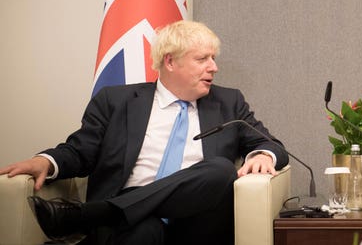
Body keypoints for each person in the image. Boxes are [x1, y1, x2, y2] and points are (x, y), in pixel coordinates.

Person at [0, 20, 289, 245]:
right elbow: (80, 151)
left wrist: (263, 153)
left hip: (199, 222)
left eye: (213, 58)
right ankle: (118, 212)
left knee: (219, 169)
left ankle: (92, 214)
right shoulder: (116, 101)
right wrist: (46, 161)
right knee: (143, 231)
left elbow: (271, 144)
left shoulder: (228, 102)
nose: (213, 67)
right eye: (202, 59)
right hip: (131, 224)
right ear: (170, 61)